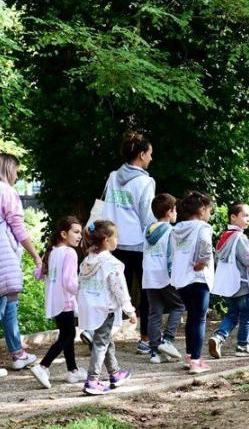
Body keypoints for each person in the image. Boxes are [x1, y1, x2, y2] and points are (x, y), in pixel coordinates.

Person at [101, 132, 155, 354]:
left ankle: (98, 332)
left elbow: (104, 203)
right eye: (150, 154)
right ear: (141, 155)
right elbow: (147, 216)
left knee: (111, 288)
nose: (151, 158)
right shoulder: (145, 181)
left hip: (114, 242)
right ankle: (145, 338)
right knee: (147, 291)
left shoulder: (113, 176)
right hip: (139, 244)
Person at [78, 220, 136, 395]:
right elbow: (119, 288)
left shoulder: (86, 261)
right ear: (105, 240)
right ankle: (92, 380)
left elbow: (80, 285)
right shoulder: (111, 263)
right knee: (101, 343)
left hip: (89, 307)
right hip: (105, 309)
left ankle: (115, 373)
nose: (117, 240)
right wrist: (130, 310)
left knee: (104, 340)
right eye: (115, 237)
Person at [30, 217, 88, 389]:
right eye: (76, 232)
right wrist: (82, 292)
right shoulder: (70, 253)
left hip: (54, 303)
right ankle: (43, 366)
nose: (79, 236)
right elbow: (69, 283)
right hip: (66, 301)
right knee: (67, 335)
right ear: (64, 234)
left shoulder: (52, 252)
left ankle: (73, 371)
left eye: (80, 233)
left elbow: (38, 274)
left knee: (67, 334)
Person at [0, 153, 41, 375]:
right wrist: (35, 255)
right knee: (3, 305)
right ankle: (17, 354)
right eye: (16, 170)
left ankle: (17, 354)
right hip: (3, 257)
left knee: (9, 305)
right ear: (8, 169)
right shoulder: (7, 192)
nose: (17, 175)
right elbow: (18, 227)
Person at [170, 191, 214, 374]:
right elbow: (205, 244)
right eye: (209, 210)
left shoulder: (177, 228)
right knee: (199, 318)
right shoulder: (202, 227)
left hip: (181, 278)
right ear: (202, 209)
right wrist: (203, 261)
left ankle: (190, 356)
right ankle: (196, 360)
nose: (209, 215)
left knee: (191, 317)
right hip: (198, 278)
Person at [209, 203, 249, 358]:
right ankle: (243, 345)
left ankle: (219, 337)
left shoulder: (223, 237)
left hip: (227, 284)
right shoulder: (239, 237)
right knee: (247, 314)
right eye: (245, 215)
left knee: (232, 314)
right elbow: (248, 260)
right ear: (233, 217)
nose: (248, 219)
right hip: (242, 283)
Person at [142, 193, 184, 364]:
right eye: (175, 210)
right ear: (169, 211)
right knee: (179, 305)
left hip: (149, 275)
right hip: (165, 276)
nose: (176, 214)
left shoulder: (147, 230)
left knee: (154, 313)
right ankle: (167, 340)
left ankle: (154, 352)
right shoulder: (171, 231)